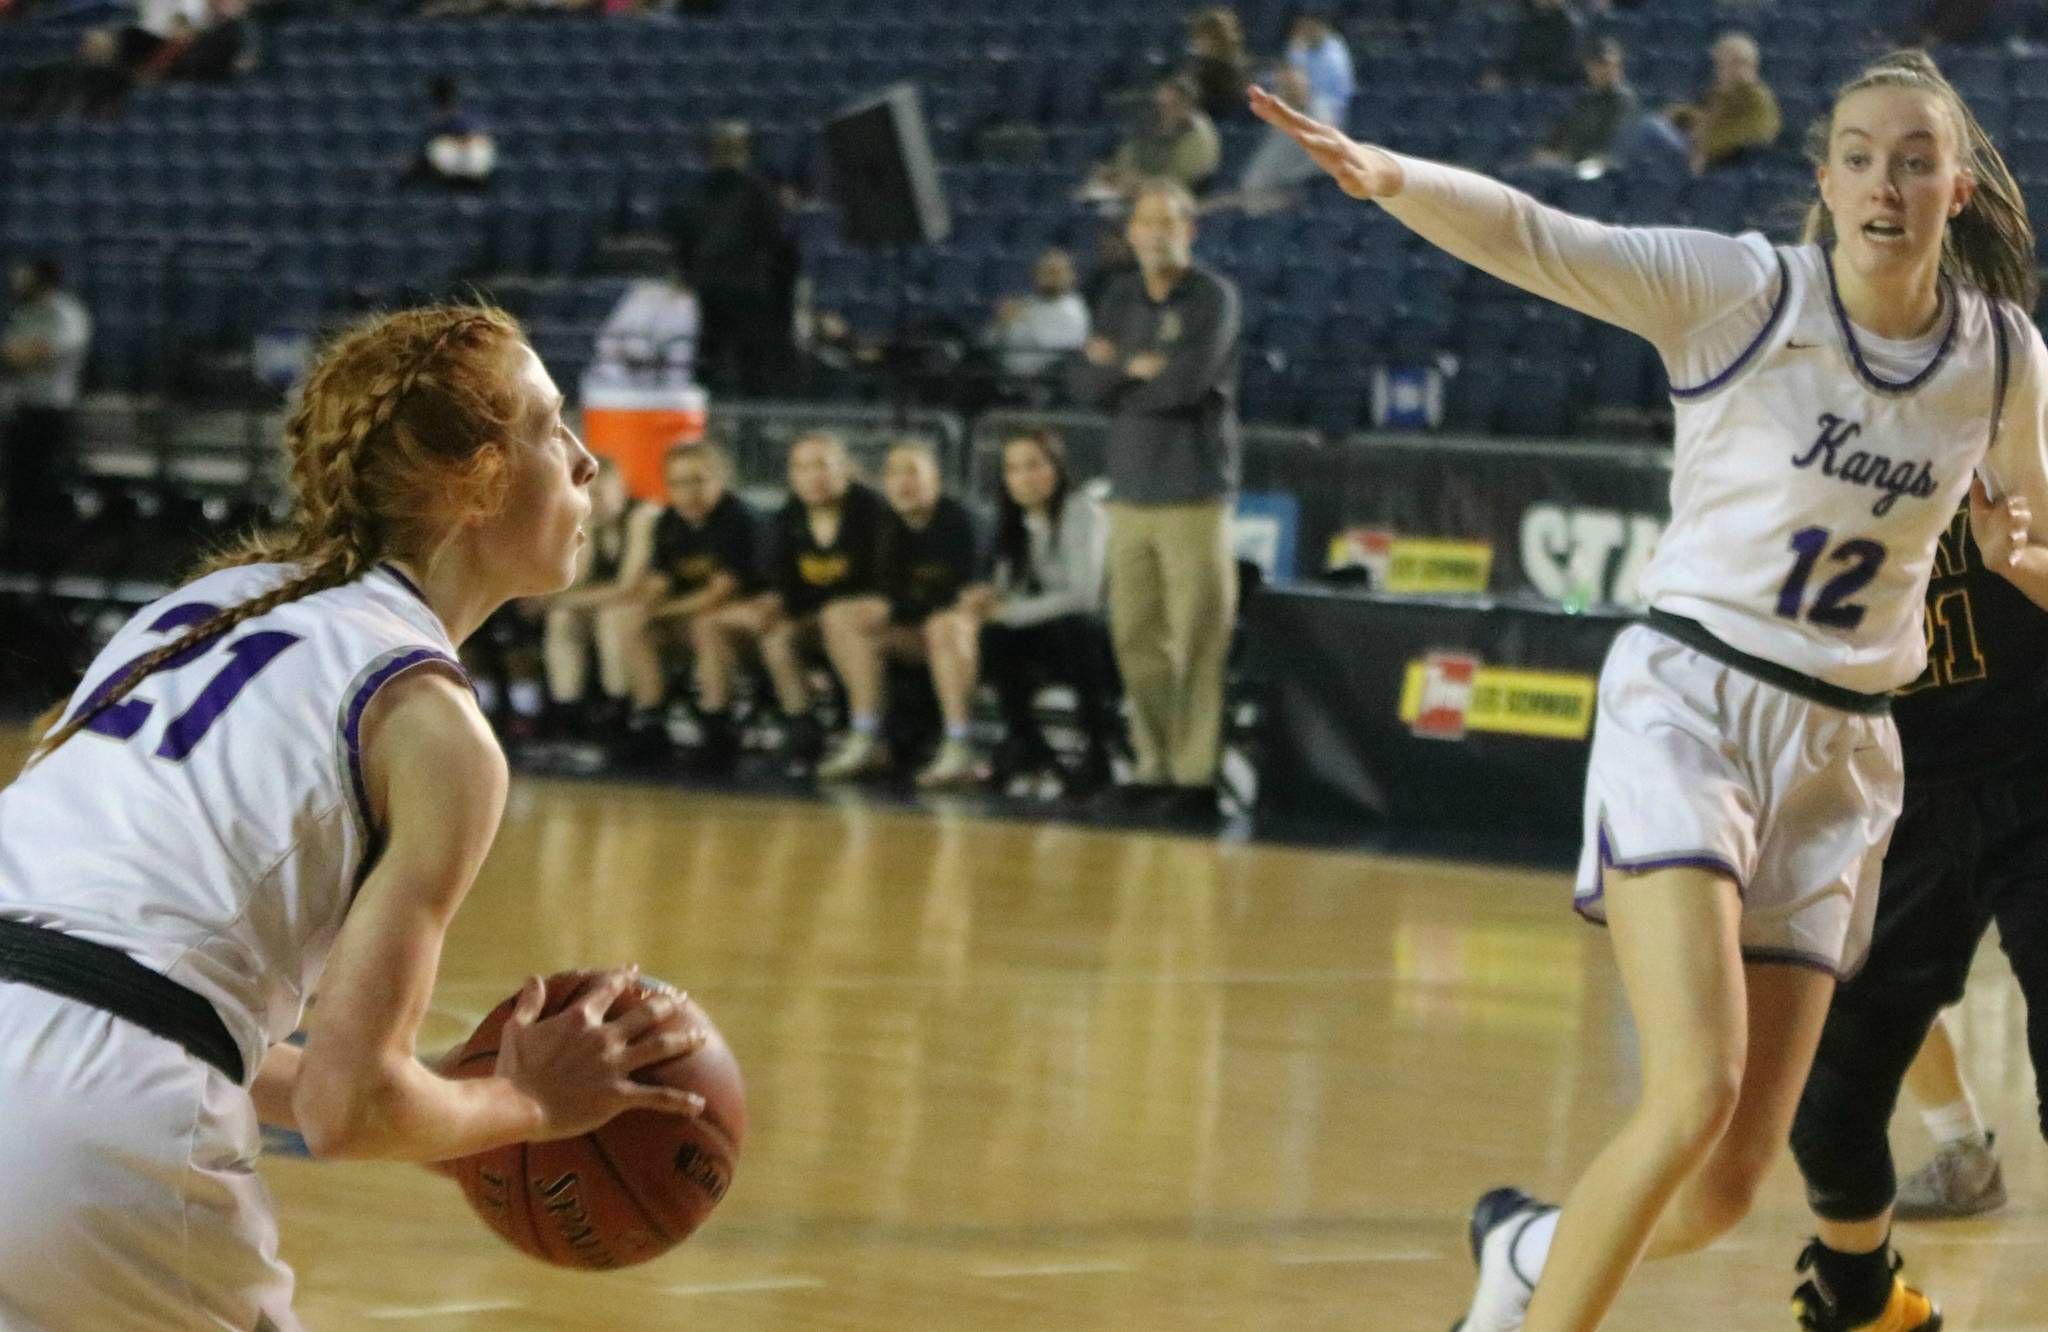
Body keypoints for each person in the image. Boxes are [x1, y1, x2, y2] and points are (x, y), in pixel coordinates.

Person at [1251, 42, 2048, 1331]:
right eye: (1858, 159)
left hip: (1846, 756)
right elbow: (1540, 232)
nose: (1883, 183)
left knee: (1728, 1186)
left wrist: (2028, 555)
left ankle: (1523, 1253)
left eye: (1915, 160)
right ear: (1826, 179)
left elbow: (2042, 540)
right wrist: (1386, 173)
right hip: (1692, 705)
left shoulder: (2002, 357)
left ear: (1958, 186)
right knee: (1689, 1091)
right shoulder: (1741, 292)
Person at [0, 306, 708, 1329]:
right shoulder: (431, 724)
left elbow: (125, 988)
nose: (587, 459)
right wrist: (533, 1106)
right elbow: (347, 1112)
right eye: (551, 425)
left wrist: (455, 1117)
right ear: (477, 482)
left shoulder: (202, 605)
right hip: (97, 1129)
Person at [1786, 466, 2048, 1320]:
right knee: (1825, 1109)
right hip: (1904, 799)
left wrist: (2023, 566)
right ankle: (1864, 1300)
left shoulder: (2024, 415)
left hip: (2037, 771)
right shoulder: (1827, 435)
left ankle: (1962, 1147)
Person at [1069, 180, 1241, 826]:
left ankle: (1196, 778)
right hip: (1129, 494)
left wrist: (1127, 376)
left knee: (1197, 639)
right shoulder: (1117, 296)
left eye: (1169, 222)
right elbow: (1083, 384)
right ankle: (1152, 765)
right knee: (1135, 636)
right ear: (1132, 232)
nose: (1156, 232)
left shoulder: (1213, 298)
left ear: (1190, 231)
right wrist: (1129, 373)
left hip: (1193, 492)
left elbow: (1189, 383)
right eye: (1145, 222)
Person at [918, 430, 1114, 794]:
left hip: (1093, 637)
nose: (1024, 477)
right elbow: (1010, 588)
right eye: (1013, 469)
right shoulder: (1012, 520)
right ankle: (1024, 741)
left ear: (1056, 468)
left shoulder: (1081, 511)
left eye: (1034, 466)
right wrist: (986, 599)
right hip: (1041, 631)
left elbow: (1082, 596)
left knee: (1070, 630)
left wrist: (1008, 612)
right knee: (992, 637)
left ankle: (1097, 749)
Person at [693, 431, 887, 775]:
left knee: (834, 618)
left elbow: (880, 583)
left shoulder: (872, 513)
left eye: (821, 465)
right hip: (812, 616)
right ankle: (799, 729)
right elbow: (782, 580)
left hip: (867, 622)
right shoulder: (791, 515)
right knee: (769, 633)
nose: (812, 476)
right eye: (801, 467)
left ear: (845, 469)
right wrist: (772, 604)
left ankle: (866, 734)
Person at [810, 440, 978, 781]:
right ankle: (866, 735)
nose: (902, 483)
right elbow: (882, 592)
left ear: (936, 478)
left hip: (973, 638)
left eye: (912, 472)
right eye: (892, 473)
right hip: (916, 629)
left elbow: (960, 596)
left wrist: (892, 607)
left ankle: (960, 745)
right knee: (839, 616)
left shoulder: (959, 520)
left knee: (944, 626)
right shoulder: (884, 524)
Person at [605, 441, 759, 771]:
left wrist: (662, 611)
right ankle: (649, 723)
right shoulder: (670, 523)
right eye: (677, 483)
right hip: (691, 616)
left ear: (721, 479)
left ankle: (718, 729)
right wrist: (646, 605)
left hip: (748, 616)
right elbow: (661, 581)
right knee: (633, 622)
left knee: (708, 624)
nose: (688, 492)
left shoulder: (738, 519)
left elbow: (722, 592)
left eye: (698, 481)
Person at [670, 120, 799, 396]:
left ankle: (718, 422)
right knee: (741, 364)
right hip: (741, 288)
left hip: (718, 286)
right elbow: (775, 240)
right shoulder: (755, 191)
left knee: (717, 361)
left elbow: (684, 241)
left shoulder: (708, 190)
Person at [530, 456, 635, 747]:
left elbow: (629, 588)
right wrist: (585, 528)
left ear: (622, 490)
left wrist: (560, 601)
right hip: (602, 606)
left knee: (610, 619)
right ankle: (569, 714)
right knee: (563, 619)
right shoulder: (589, 525)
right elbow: (578, 579)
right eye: (585, 494)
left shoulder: (642, 517)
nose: (593, 501)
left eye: (600, 493)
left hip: (641, 609)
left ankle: (620, 715)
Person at [0, 258, 91, 568]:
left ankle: (50, 560)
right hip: (21, 412)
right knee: (19, 487)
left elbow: (40, 353)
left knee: (46, 488)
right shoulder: (24, 314)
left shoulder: (67, 314)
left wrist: (19, 354)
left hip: (51, 413)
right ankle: (19, 557)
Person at [984, 248, 1091, 384]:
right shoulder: (1027, 303)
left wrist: (1025, 319)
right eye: (1044, 271)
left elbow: (1059, 347)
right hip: (1003, 374)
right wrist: (1001, 322)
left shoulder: (1073, 309)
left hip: (1046, 380)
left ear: (1070, 276)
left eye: (1055, 272)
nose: (1049, 278)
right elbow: (988, 341)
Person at [1685, 31, 1782, 173]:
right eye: (1725, 63)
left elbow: (1756, 133)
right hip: (1693, 153)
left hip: (1730, 163)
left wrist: (1704, 146)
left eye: (1739, 63)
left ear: (1752, 67)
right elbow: (1692, 118)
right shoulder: (1714, 93)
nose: (1731, 69)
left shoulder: (1758, 99)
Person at [1533, 37, 1638, 169]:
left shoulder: (1623, 101)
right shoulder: (1585, 99)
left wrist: (1570, 159)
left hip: (1599, 167)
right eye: (1597, 64)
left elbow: (1611, 144)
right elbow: (1560, 132)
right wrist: (1547, 151)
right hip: (1569, 164)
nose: (1604, 70)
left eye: (1608, 65)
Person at [1285, 9, 1356, 126]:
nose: (1303, 30)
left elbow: (1304, 91)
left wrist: (1297, 51)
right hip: (1308, 106)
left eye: (1308, 26)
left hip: (1331, 110)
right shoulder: (1304, 46)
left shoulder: (1334, 49)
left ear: (1320, 25)